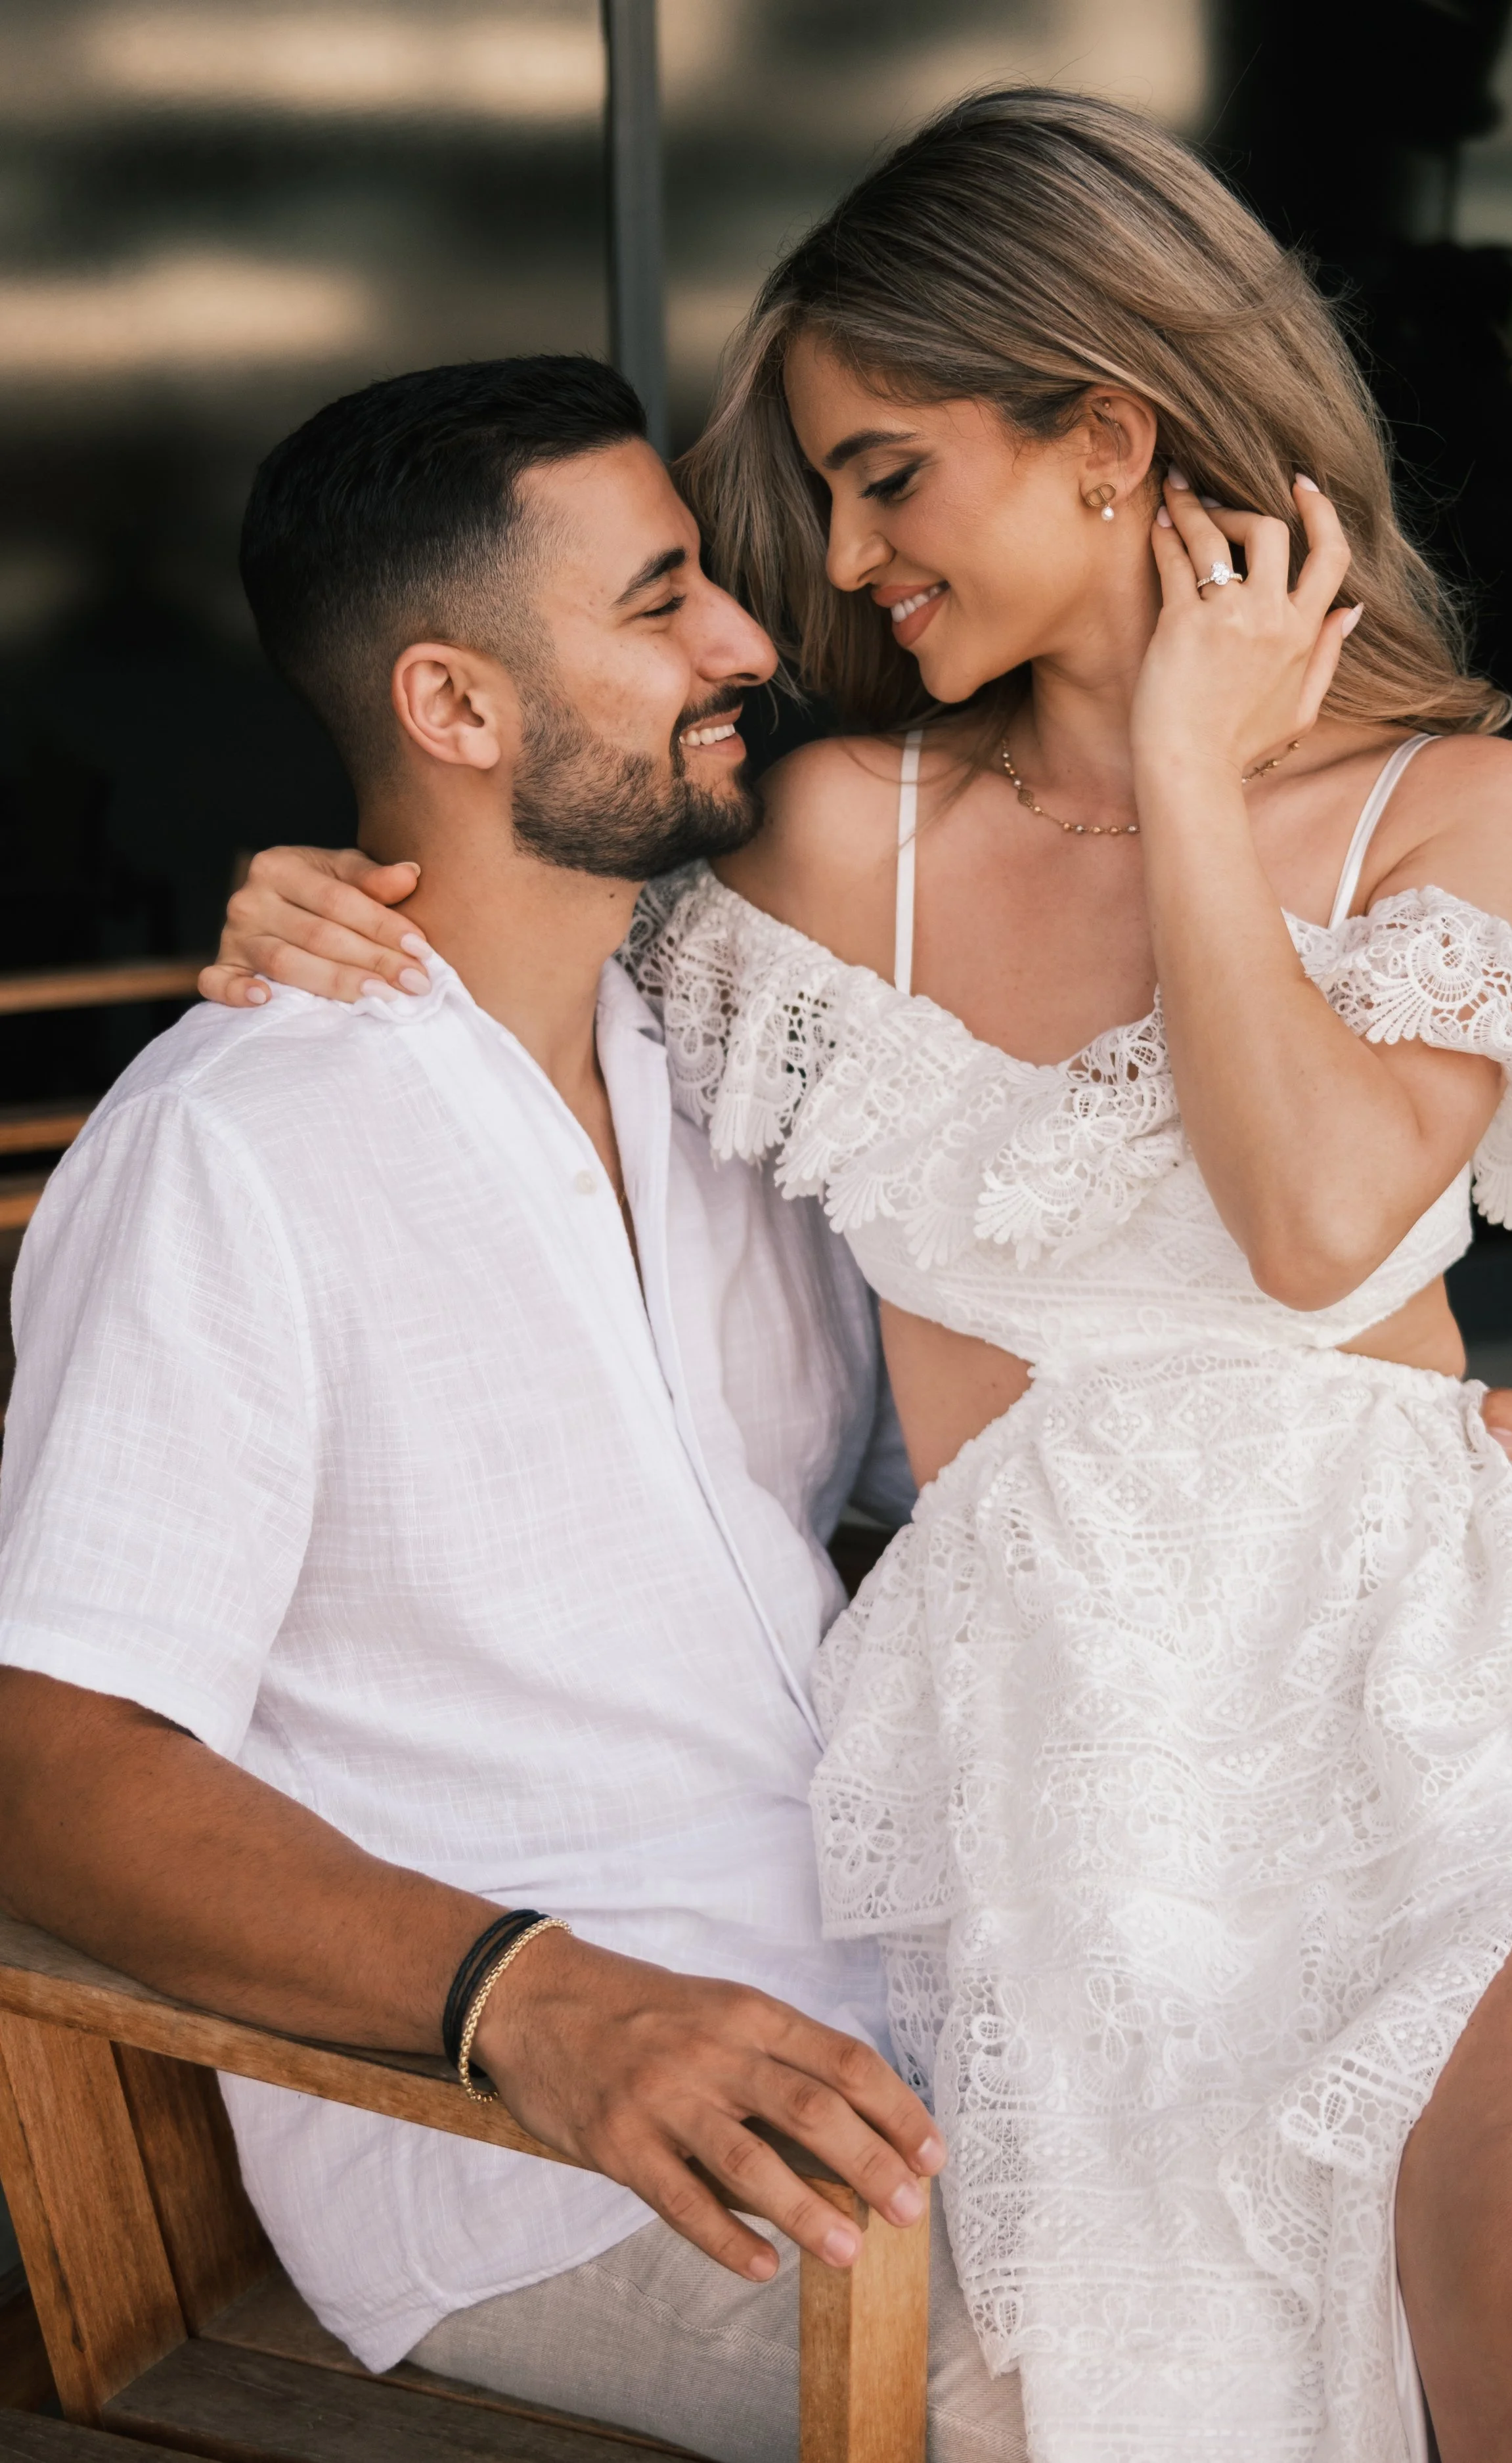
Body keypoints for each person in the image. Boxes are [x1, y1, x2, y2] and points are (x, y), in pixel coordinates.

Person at [207, 92, 1512, 2463]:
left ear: (1109, 438)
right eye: (827, 490)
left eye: (888, 476)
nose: (846, 556)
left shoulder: (1457, 807)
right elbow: (507, 947)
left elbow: (1308, 1228)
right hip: (1052, 1758)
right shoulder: (818, 843)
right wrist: (317, 887)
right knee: (1181, 2378)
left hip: (1438, 1686)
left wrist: (1188, 779)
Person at [0, 355, 1037, 2463]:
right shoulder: (237, 1146)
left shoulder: (729, 1075)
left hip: (932, 2003)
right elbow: (51, 1765)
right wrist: (534, 1996)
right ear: (454, 707)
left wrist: (1433, 1435)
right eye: (660, 600)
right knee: (1107, 2396)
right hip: (540, 2142)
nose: (744, 640)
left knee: (1428, 2242)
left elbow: (1004, 1461)